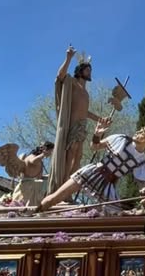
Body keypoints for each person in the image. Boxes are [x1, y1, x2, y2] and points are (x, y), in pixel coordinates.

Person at [36, 113, 145, 212]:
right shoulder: (121, 139)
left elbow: (142, 183)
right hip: (92, 172)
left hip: (108, 186)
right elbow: (94, 146)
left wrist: (144, 191)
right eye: (140, 129)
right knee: (56, 197)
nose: (138, 131)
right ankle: (33, 217)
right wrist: (97, 134)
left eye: (142, 132)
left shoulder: (141, 161)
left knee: (115, 215)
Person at [47, 46, 111, 194]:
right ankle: (61, 188)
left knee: (78, 157)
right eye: (87, 70)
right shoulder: (72, 83)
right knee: (70, 155)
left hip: (82, 127)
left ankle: (68, 189)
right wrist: (68, 58)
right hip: (72, 126)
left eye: (90, 70)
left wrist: (99, 119)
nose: (90, 72)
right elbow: (60, 75)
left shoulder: (86, 93)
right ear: (80, 71)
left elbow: (84, 111)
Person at [0, 142, 54, 206]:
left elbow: (39, 176)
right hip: (28, 186)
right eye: (50, 151)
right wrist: (43, 155)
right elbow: (32, 161)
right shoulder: (31, 157)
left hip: (33, 185)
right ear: (45, 150)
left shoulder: (40, 162)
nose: (50, 154)